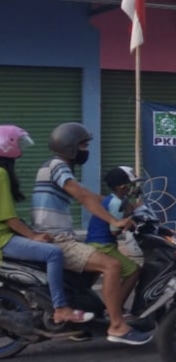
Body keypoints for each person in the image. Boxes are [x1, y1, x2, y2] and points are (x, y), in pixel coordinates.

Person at [30, 122, 151, 345]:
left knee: (92, 273)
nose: (86, 150)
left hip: (57, 235)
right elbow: (83, 197)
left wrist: (124, 207)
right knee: (112, 266)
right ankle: (117, 326)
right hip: (58, 239)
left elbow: (90, 195)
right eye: (83, 145)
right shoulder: (58, 166)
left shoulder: (54, 167)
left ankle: (83, 323)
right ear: (70, 147)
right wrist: (114, 220)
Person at [0, 125, 95, 326]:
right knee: (53, 253)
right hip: (3, 240)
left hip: (6, 236)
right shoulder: (1, 174)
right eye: (19, 143)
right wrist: (32, 236)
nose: (22, 149)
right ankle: (61, 309)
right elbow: (9, 218)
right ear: (7, 146)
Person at [84, 166, 143, 320]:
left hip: (98, 243)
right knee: (133, 271)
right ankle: (115, 310)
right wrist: (128, 223)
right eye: (130, 185)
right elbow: (114, 231)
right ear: (121, 187)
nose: (132, 188)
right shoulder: (116, 203)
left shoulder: (115, 199)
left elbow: (128, 210)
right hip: (103, 245)